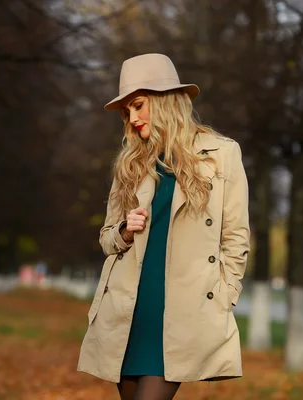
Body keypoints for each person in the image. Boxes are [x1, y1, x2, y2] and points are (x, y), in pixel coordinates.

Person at [77, 53, 250, 400]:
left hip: (182, 312)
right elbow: (107, 239)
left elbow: (236, 237)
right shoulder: (130, 163)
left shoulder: (222, 153)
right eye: (127, 111)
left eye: (138, 105)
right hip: (129, 310)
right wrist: (125, 230)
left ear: (165, 99)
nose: (133, 117)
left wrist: (222, 299)